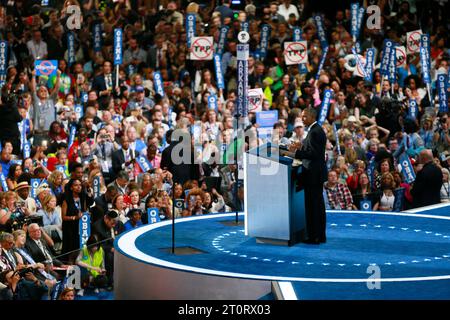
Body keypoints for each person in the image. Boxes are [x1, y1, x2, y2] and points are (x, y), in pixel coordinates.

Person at [289, 107, 327, 244]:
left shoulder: (315, 131)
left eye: (304, 116)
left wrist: (295, 153)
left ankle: (315, 237)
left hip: (313, 175)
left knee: (314, 207)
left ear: (311, 116)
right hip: (314, 174)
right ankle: (319, 235)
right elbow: (312, 149)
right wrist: (301, 146)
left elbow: (314, 154)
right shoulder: (315, 130)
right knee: (317, 206)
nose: (302, 119)